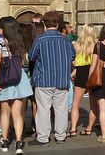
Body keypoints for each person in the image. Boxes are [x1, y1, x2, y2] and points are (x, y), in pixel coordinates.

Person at [27, 10, 75, 145]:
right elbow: (73, 56)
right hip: (61, 79)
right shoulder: (65, 40)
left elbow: (31, 57)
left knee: (43, 109)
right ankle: (60, 135)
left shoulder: (40, 40)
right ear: (58, 23)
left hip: (44, 79)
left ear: (44, 24)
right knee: (61, 109)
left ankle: (43, 137)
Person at [0, 17, 34, 155]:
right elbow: (23, 60)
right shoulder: (20, 41)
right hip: (18, 78)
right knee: (17, 113)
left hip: (4, 78)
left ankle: (4, 141)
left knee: (5, 112)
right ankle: (18, 142)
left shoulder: (0, 41)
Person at [69, 23, 97, 136]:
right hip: (92, 74)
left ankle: (73, 129)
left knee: (75, 104)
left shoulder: (76, 44)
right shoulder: (96, 45)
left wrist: (74, 69)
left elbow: (73, 61)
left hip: (80, 73)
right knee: (93, 104)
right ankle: (89, 128)